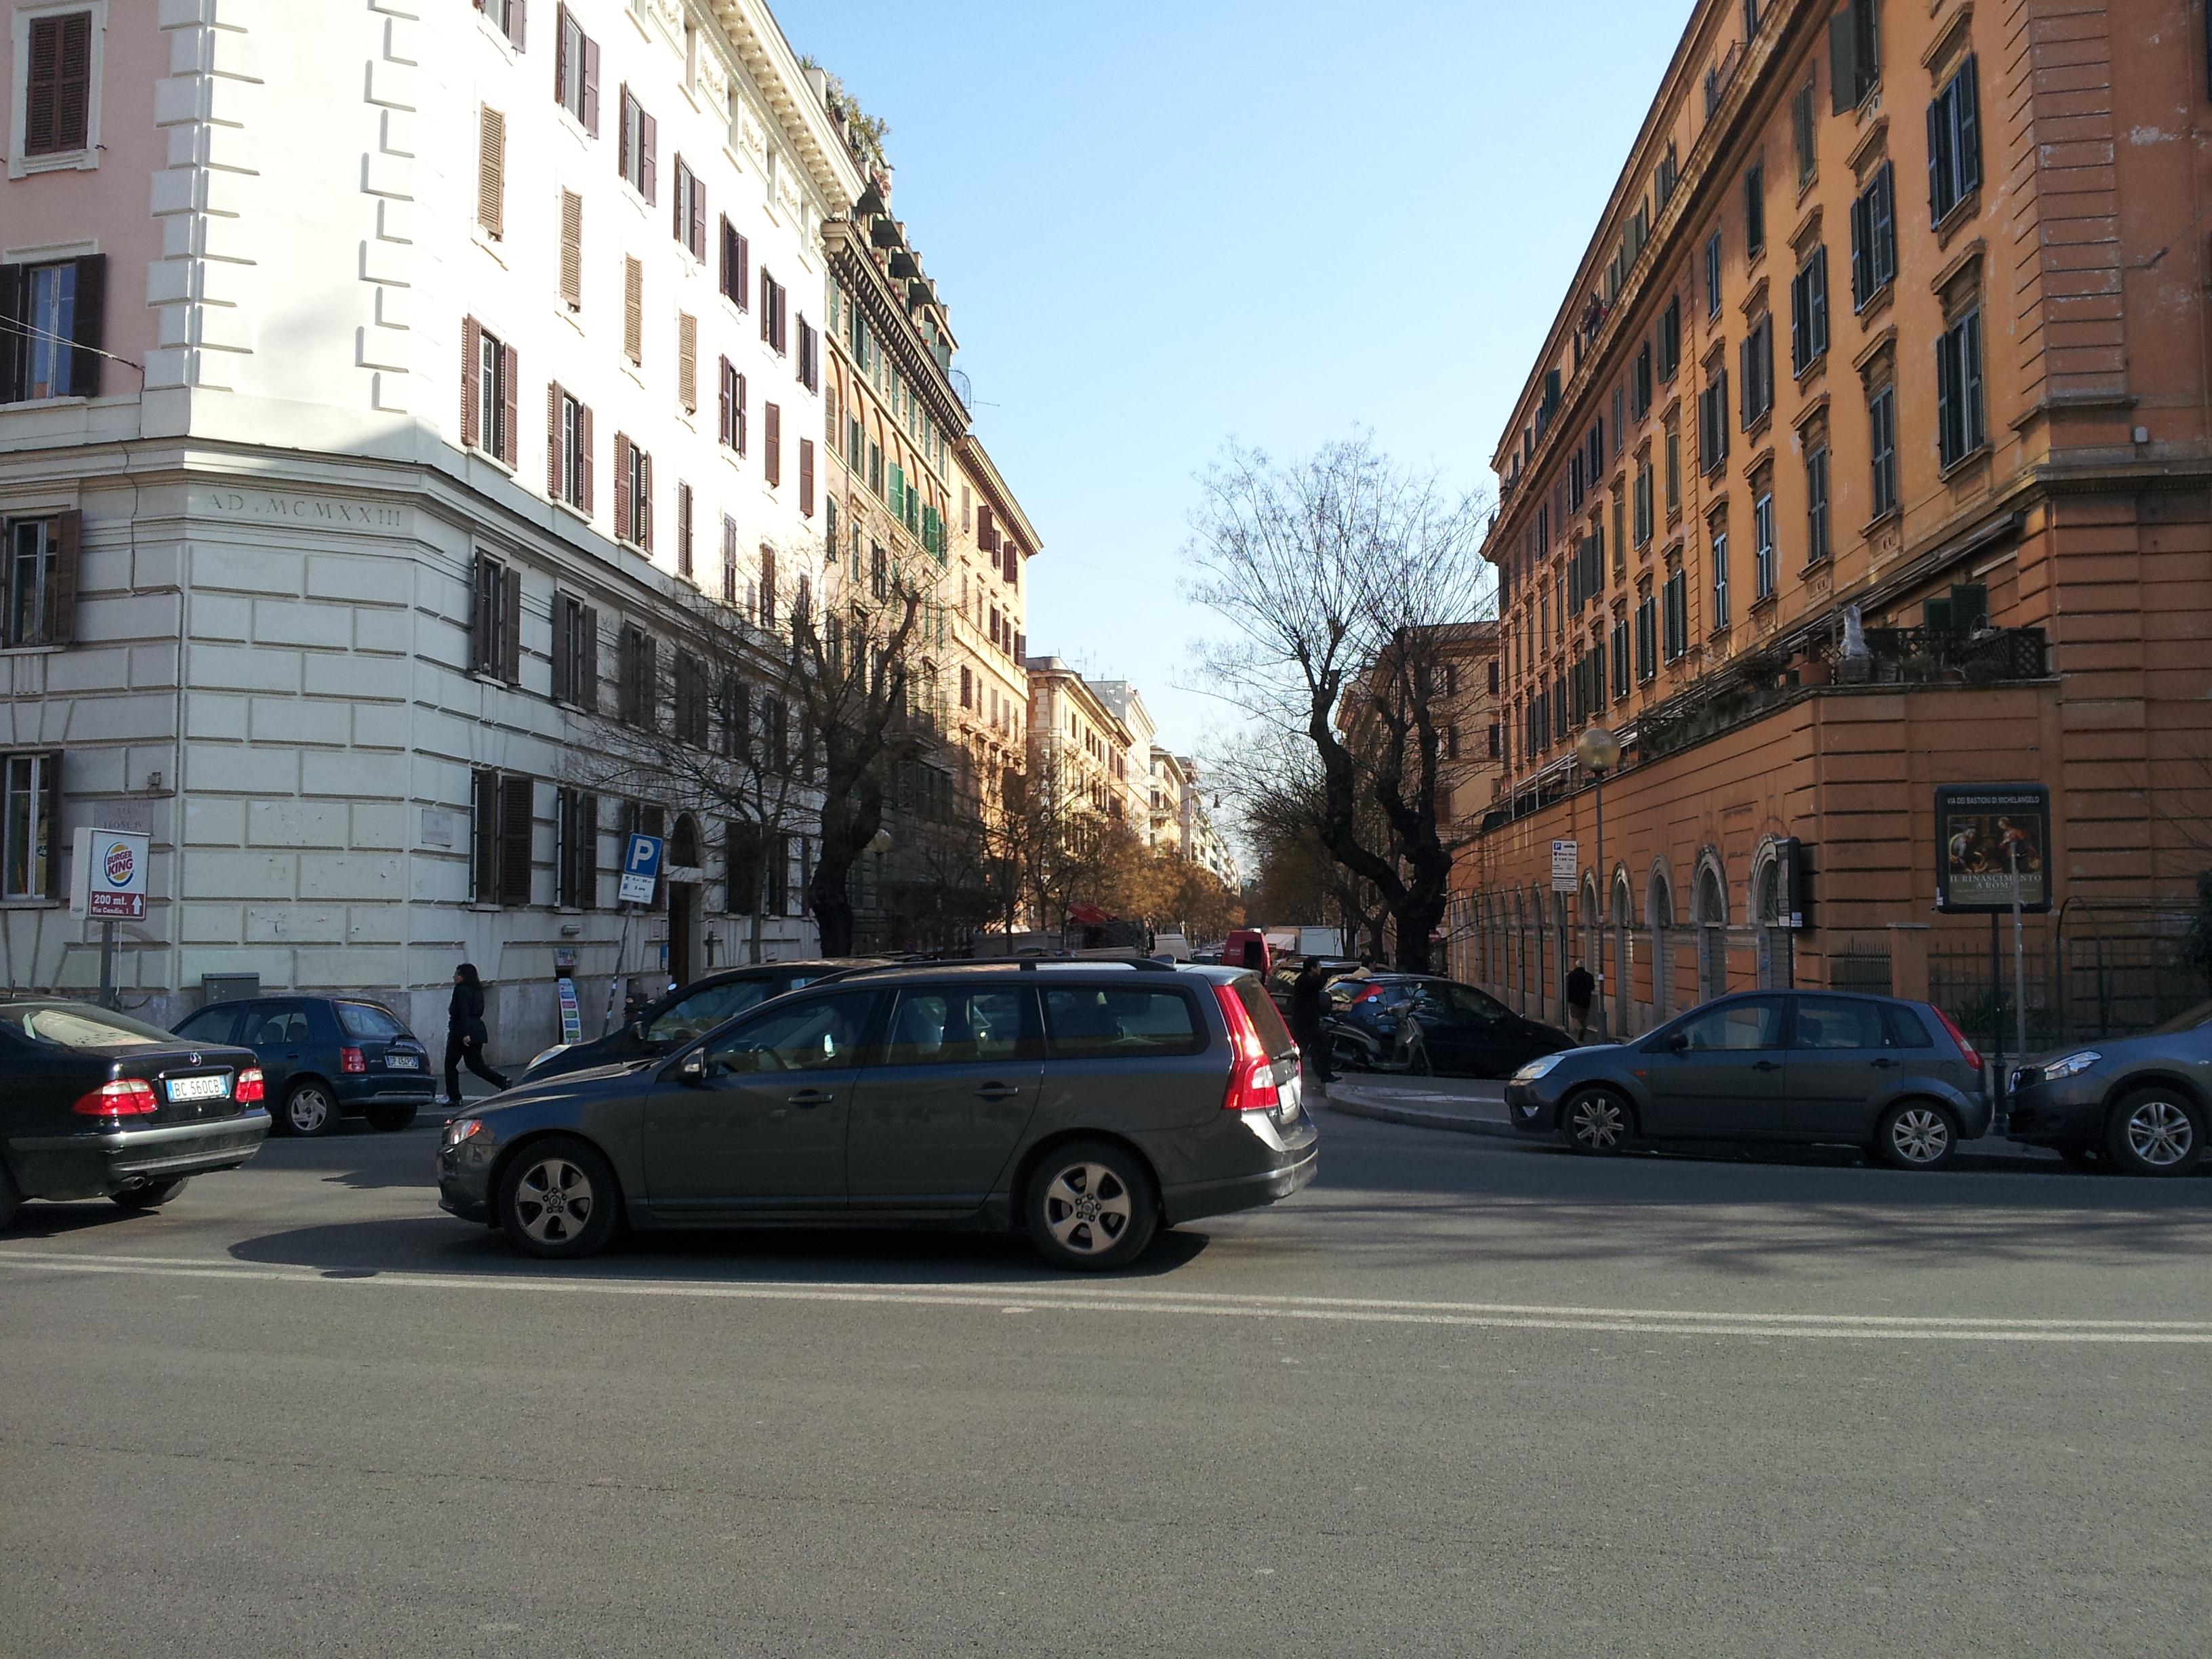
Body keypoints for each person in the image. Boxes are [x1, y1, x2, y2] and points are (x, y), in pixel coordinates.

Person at [444, 962, 511, 1106]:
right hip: (478, 1030)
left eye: (457, 974)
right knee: (476, 1065)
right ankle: (502, 1081)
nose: (454, 977)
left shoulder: (461, 990)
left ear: (463, 976)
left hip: (461, 1032)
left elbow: (463, 1012)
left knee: (450, 1065)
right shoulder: (477, 990)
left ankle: (455, 1097)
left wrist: (464, 1033)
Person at [1289, 956, 1335, 1088]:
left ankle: (1322, 1073)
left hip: (1305, 1021)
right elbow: (1321, 983)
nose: (1321, 968)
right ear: (1313, 968)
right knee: (1324, 1044)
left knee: (1304, 1047)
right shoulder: (1308, 981)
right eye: (1318, 966)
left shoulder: (1303, 979)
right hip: (1306, 1022)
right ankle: (1325, 1075)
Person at [1567, 958, 1595, 1042]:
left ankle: (1580, 1028)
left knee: (1575, 1017)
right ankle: (1582, 1035)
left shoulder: (1571, 976)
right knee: (1584, 1018)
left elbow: (1568, 988)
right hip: (1586, 1000)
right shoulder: (1589, 976)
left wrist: (1568, 998)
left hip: (1574, 1000)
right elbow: (1592, 987)